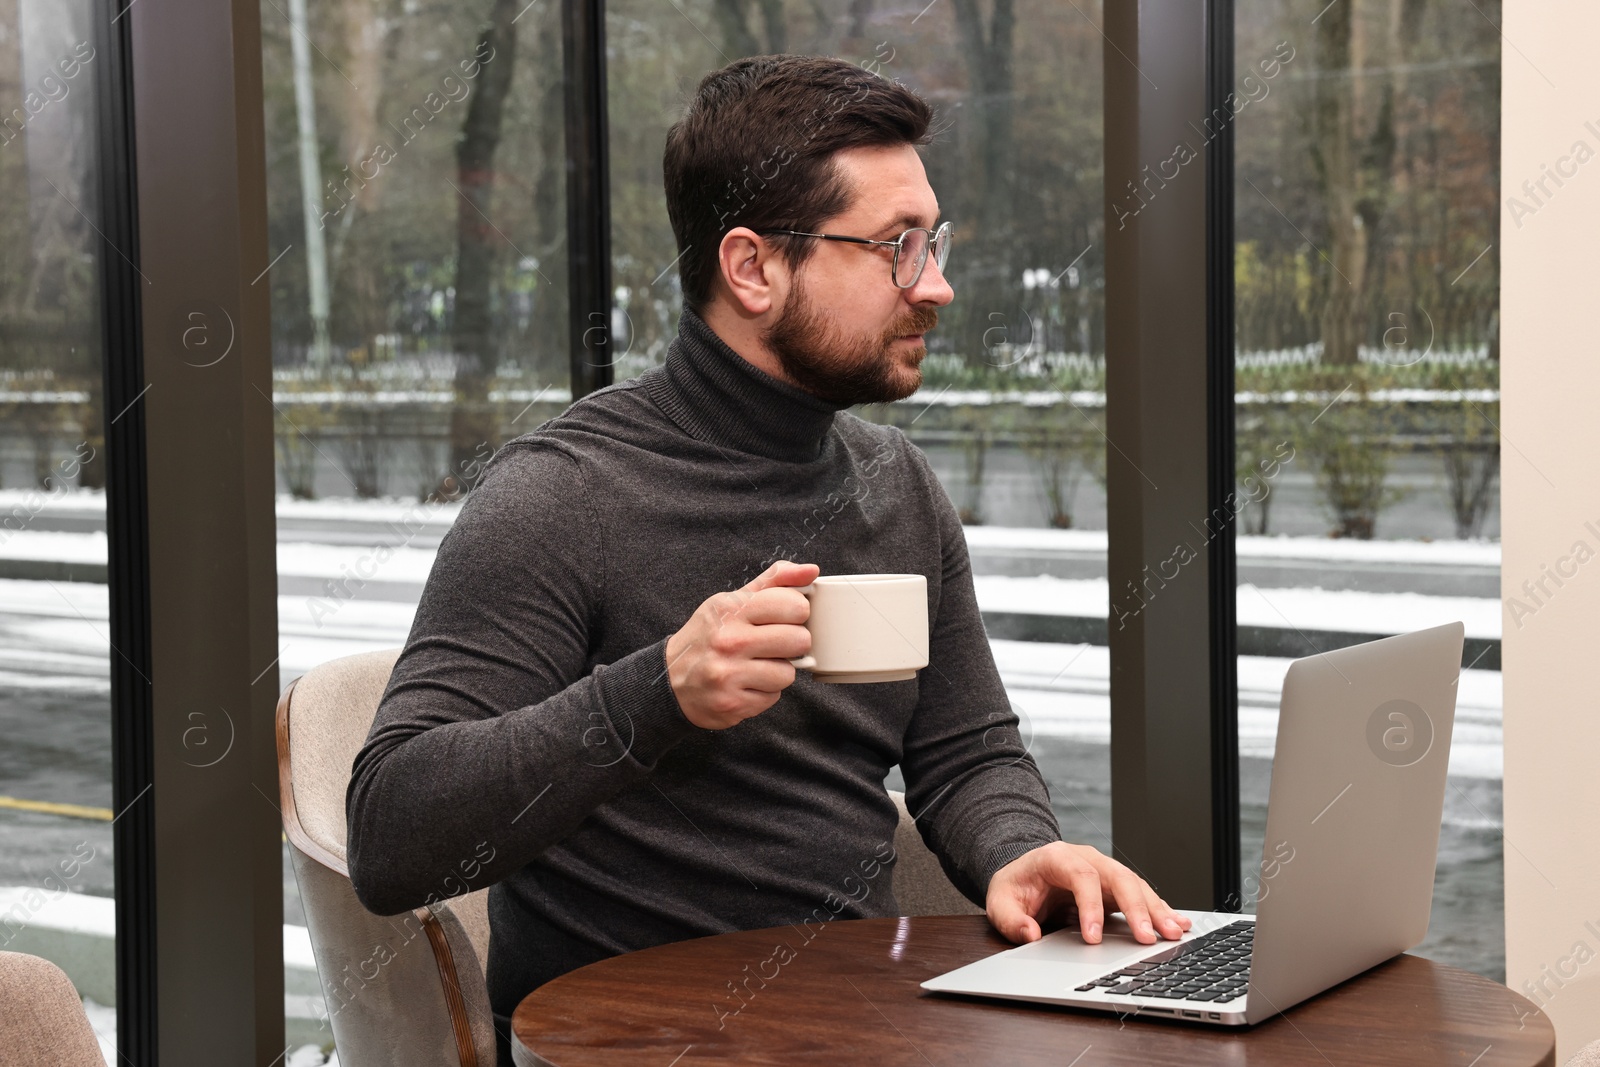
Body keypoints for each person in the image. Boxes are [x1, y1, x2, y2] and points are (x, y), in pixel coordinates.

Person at [345, 52, 1190, 1063]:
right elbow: (391, 835)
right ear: (752, 267)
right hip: (621, 1046)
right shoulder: (559, 497)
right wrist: (651, 693)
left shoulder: (895, 485)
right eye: (899, 248)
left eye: (935, 243)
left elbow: (966, 752)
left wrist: (1025, 850)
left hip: (858, 1029)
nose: (940, 286)